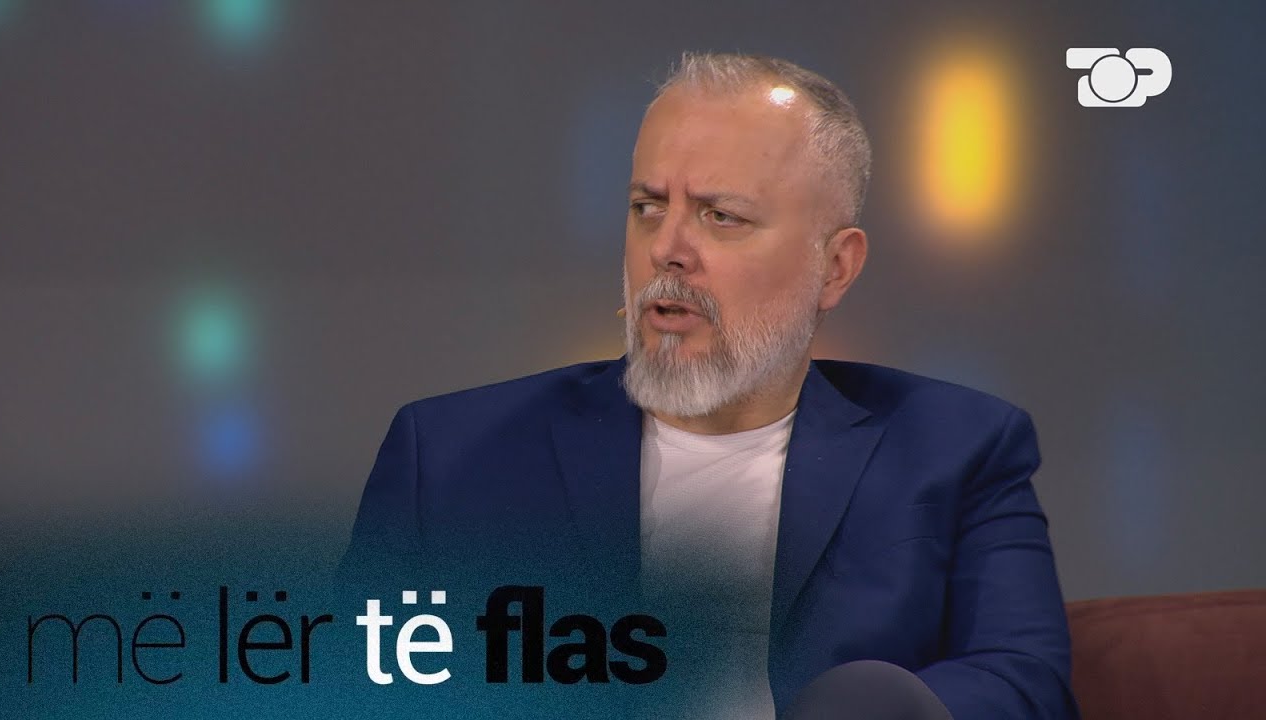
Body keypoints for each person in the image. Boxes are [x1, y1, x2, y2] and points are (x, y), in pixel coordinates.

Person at [338, 52, 1078, 719]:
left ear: (836, 267)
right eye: (647, 208)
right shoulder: (451, 455)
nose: (667, 249)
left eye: (721, 217)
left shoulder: (960, 449)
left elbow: (1024, 683)